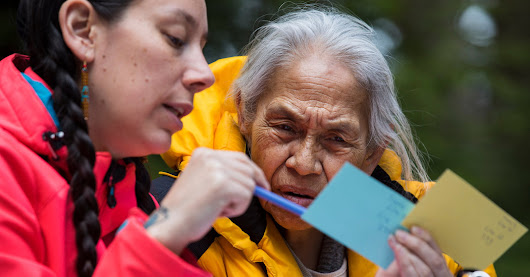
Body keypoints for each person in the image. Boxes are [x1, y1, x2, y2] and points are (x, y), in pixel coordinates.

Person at [152, 7, 497, 277]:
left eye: (336, 139)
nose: (302, 164)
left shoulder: (445, 231)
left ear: (373, 151)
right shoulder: (167, 215)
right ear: (245, 114)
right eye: (285, 127)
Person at [0, 0, 270, 276]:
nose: (205, 75)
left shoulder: (136, 197)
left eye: (201, 49)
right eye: (176, 39)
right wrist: (165, 233)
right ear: (82, 29)